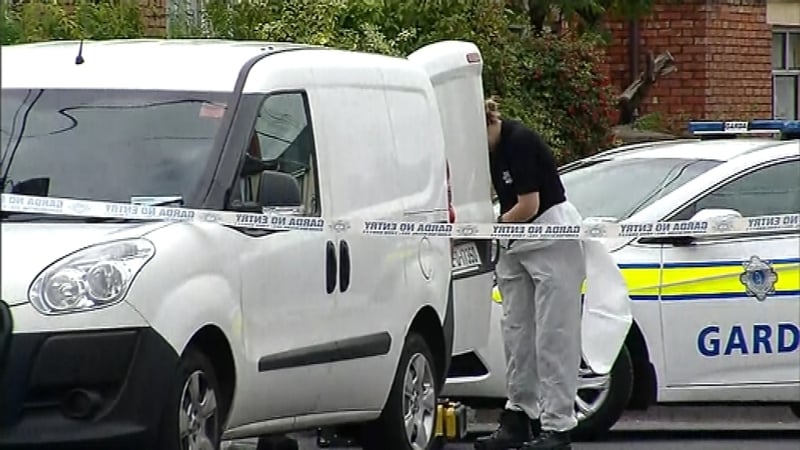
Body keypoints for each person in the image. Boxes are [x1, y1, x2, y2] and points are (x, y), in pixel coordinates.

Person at [474, 98, 586, 450]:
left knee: (554, 336)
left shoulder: (518, 140)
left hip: (550, 235)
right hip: (517, 241)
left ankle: (557, 427)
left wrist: (492, 227)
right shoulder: (488, 151)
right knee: (517, 334)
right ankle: (519, 416)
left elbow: (529, 205)